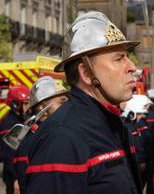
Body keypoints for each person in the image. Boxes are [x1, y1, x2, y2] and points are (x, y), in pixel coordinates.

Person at [24, 11, 142, 194]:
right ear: (86, 73)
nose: (132, 67)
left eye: (127, 56)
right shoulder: (61, 138)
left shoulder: (112, 125)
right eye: (119, 58)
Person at [12, 76, 68, 193]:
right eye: (62, 101)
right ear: (43, 108)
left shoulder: (60, 134)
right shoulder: (28, 144)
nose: (68, 106)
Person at [0, 85, 30, 194]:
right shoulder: (10, 123)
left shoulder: (21, 119)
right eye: (25, 103)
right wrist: (15, 179)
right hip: (14, 177)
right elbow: (8, 155)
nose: (28, 106)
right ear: (15, 104)